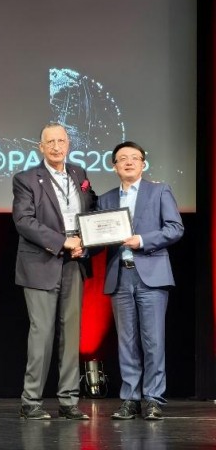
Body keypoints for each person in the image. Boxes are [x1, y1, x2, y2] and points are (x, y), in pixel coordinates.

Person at [11, 122, 97, 420]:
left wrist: (86, 241)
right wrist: (63, 242)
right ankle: (31, 401)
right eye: (50, 142)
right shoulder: (26, 179)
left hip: (75, 261)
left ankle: (69, 401)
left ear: (68, 144)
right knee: (42, 333)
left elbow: (91, 208)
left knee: (71, 333)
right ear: (41, 147)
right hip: (41, 263)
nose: (57, 147)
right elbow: (24, 221)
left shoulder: (79, 174)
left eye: (61, 141)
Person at [96, 141, 184, 421]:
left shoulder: (159, 191)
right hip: (120, 275)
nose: (129, 162)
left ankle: (153, 399)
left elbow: (175, 228)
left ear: (143, 164)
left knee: (153, 340)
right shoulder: (106, 199)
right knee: (127, 341)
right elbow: (97, 237)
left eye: (135, 158)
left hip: (152, 274)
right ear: (114, 166)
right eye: (122, 158)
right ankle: (130, 399)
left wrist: (143, 240)